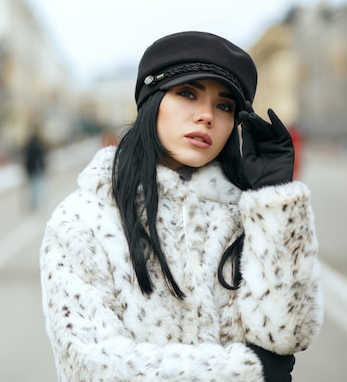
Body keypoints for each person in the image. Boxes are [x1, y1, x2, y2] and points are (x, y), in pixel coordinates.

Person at [39, 31, 323, 382]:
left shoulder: (244, 215)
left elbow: (287, 334)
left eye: (224, 105)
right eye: (188, 94)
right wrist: (246, 372)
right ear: (152, 102)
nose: (206, 116)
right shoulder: (84, 220)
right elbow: (90, 367)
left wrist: (275, 200)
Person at [23, 130, 47, 211]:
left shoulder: (28, 148)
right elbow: (40, 159)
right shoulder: (37, 148)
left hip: (30, 170)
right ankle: (36, 202)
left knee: (34, 187)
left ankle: (34, 202)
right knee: (37, 187)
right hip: (35, 170)